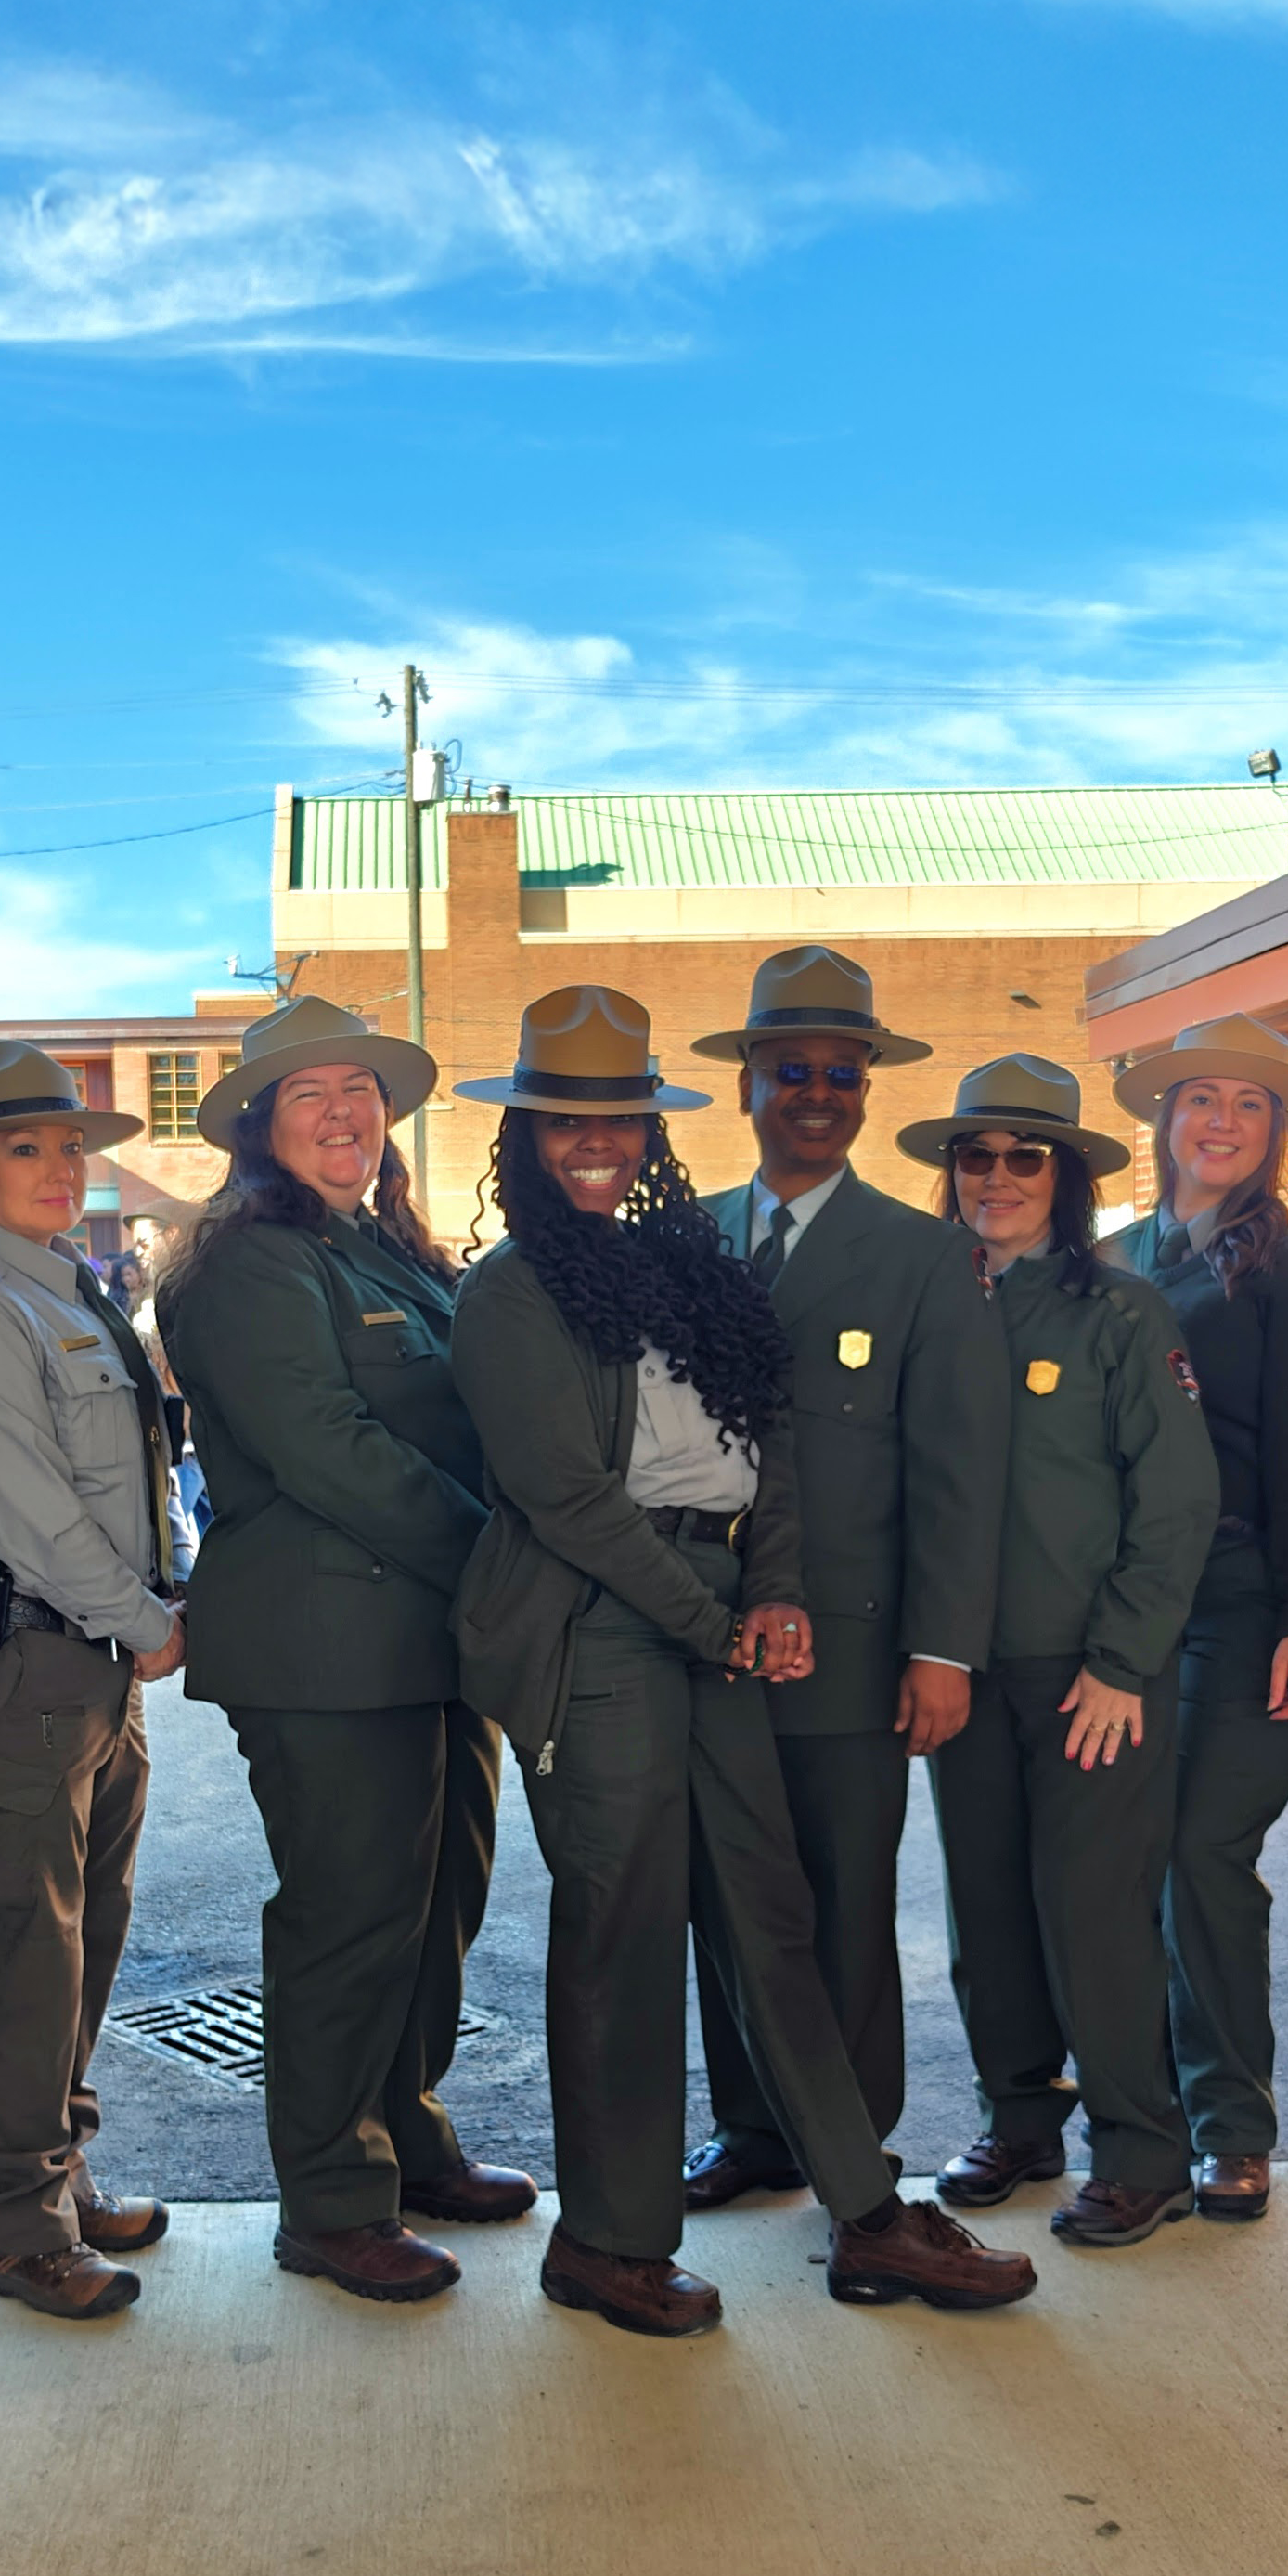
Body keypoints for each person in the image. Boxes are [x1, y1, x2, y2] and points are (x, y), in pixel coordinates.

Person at [447, 988, 1032, 2335]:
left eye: (621, 1120)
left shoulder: (684, 1262)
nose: (596, 1144)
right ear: (526, 1135)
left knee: (773, 1916)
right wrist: (720, 1626)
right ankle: (604, 2241)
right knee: (625, 1935)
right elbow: (570, 1504)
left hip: (712, 1611)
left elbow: (759, 1440)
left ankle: (868, 2211)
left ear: (651, 1129)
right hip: (598, 1626)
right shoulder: (511, 1290)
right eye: (565, 1123)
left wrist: (766, 1594)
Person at [156, 997, 535, 2301]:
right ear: (260, 1126)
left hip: (435, 1636)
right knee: (350, 1919)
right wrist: (506, 1557)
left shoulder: (392, 1253)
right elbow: (331, 1451)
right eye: (309, 1093)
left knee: (441, 1908)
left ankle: (405, 2131)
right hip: (327, 1645)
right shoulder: (255, 1263)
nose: (344, 1112)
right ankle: (328, 2196)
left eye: (361, 1091)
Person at [674, 949, 1010, 2214]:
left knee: (844, 1904)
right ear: (749, 1081)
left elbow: (961, 1473)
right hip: (710, 1640)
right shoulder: (689, 1237)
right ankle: (754, 2126)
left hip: (858, 1648)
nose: (816, 1092)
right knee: (727, 1900)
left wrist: (944, 1649)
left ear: (865, 1092)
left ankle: (854, 2150)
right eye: (791, 1069)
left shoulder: (924, 1256)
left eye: (839, 1073)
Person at [903, 1057, 1222, 2249]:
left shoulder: (1120, 1311)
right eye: (974, 1155)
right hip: (955, 1668)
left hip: (1088, 1672)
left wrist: (1125, 1659)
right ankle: (1018, 2118)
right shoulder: (924, 1302)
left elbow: (1179, 1499)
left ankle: (1144, 2150)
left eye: (1023, 1156)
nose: (995, 1177)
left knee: (1092, 1914)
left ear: (1067, 1177)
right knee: (986, 1910)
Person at [0, 1044, 184, 2319]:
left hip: (89, 1666)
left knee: (84, 1943)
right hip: (18, 1662)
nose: (60, 1167)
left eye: (69, 1145)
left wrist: (141, 1618)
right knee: (25, 1956)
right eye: (23, 1148)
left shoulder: (64, 1290)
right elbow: (28, 1512)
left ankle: (58, 2175)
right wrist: (151, 1621)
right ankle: (18, 2226)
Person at [1105, 1016, 1288, 2220]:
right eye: (1198, 1097)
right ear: (1162, 1119)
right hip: (1119, 1616)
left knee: (1207, 1857)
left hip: (1247, 1607)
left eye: (1247, 1106)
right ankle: (1137, 2113)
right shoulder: (1107, 1260)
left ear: (1275, 1137)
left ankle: (1231, 2125)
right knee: (1131, 1863)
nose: (1218, 1121)